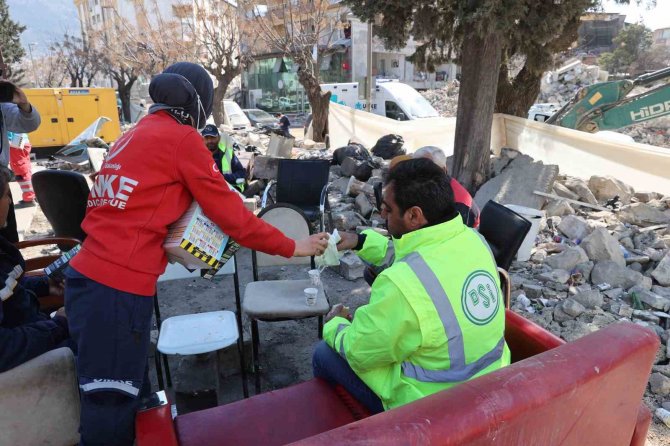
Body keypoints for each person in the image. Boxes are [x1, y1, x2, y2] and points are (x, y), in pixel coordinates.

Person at [65, 62, 329, 446]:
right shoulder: (181, 138)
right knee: (109, 407)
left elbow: (117, 210)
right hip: (116, 292)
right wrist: (294, 246)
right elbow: (232, 216)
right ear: (199, 102)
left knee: (119, 396)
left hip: (90, 281)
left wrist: (161, 240)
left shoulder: (132, 135)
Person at [312, 159, 509, 414]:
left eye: (387, 209)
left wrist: (335, 324)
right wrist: (360, 241)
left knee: (324, 354)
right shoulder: (473, 240)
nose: (382, 215)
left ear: (414, 215)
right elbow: (414, 255)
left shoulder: (402, 285)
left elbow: (360, 351)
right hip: (490, 380)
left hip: (432, 406)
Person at [0, 166, 69, 373]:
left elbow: (8, 286)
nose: (10, 202)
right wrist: (59, 325)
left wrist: (44, 285)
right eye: (5, 195)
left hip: (32, 326)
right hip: (26, 365)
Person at [0, 77, 40, 242]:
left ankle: (29, 196)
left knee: (8, 243)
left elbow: (28, 123)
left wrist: (24, 105)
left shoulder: (3, 106)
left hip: (1, 181)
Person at [413, 146, 480, 228]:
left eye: (426, 170)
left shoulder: (458, 201)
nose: (416, 174)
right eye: (415, 167)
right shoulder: (427, 186)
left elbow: (457, 234)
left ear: (443, 170)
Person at [201, 124, 247, 193]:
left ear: (218, 138)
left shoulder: (227, 153)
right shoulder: (200, 155)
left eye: (213, 137)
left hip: (227, 190)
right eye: (207, 138)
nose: (210, 141)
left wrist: (224, 177)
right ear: (203, 139)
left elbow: (241, 173)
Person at [8, 132, 35, 207]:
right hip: (19, 139)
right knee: (24, 168)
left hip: (14, 141)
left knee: (21, 170)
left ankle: (29, 198)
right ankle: (31, 196)